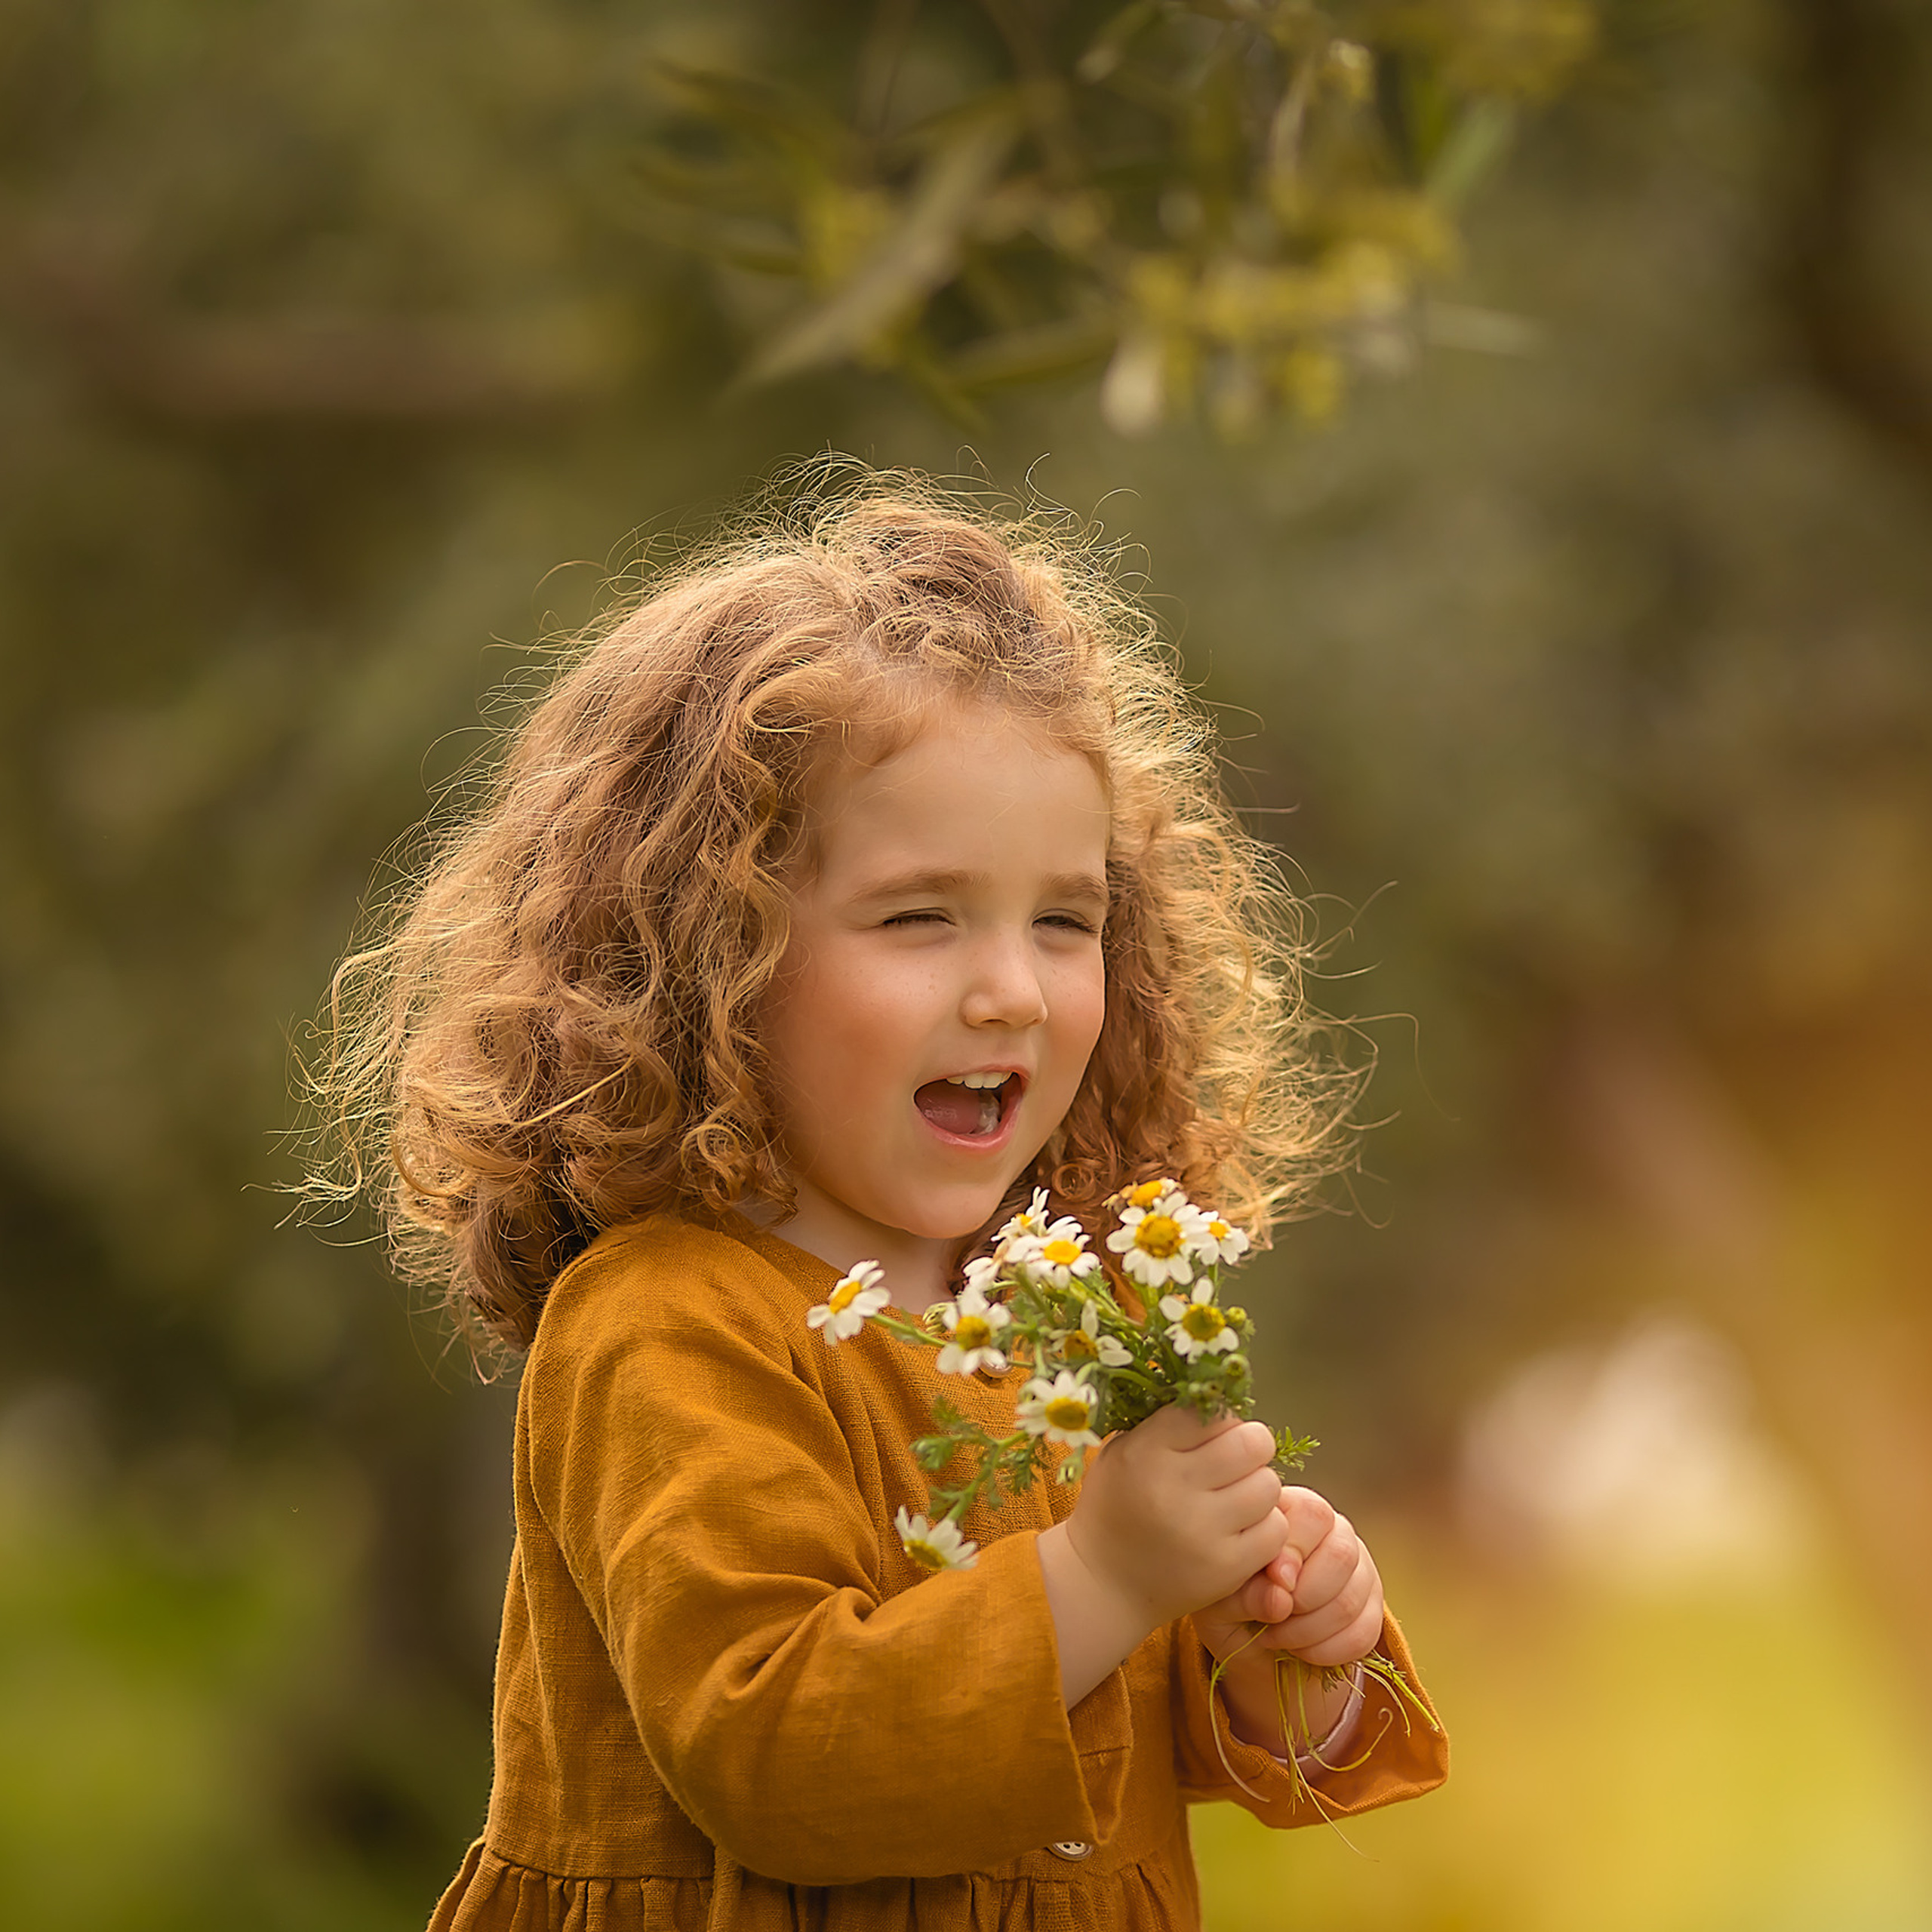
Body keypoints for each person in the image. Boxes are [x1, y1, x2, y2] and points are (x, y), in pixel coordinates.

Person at [312, 477, 1449, 1931]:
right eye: (921, 916)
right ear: (709, 956)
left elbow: (1103, 1730)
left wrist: (1287, 1663)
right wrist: (1105, 1567)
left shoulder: (1061, 1322)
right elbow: (774, 1748)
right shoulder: (666, 1324)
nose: (1012, 988)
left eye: (1066, 919)